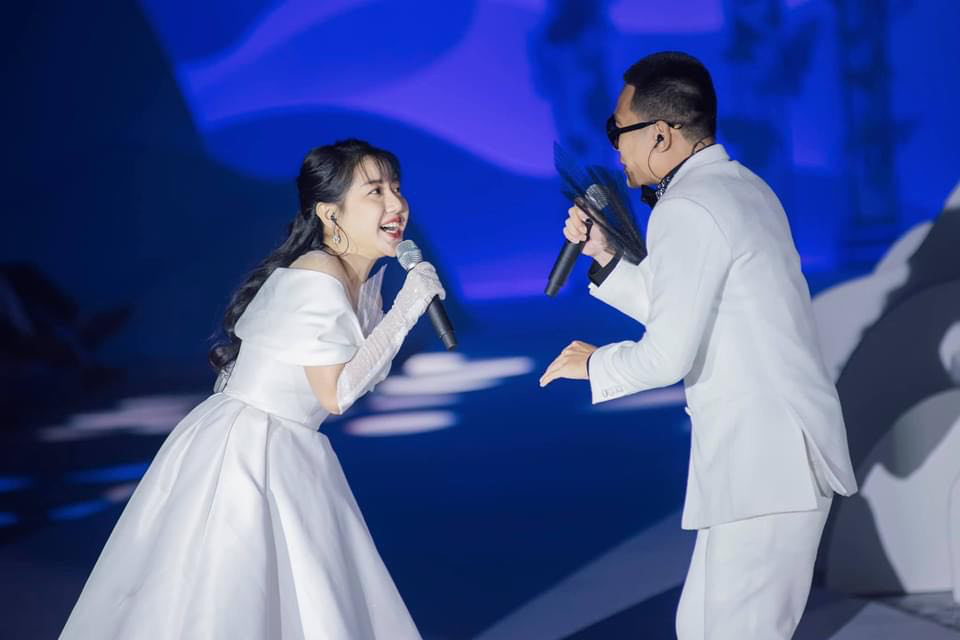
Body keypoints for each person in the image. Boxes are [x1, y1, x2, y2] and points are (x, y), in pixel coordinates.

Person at [60, 139, 440, 639]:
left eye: (396, 188)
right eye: (375, 191)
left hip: (280, 444)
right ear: (331, 213)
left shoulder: (351, 278)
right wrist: (409, 307)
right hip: (252, 451)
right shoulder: (319, 274)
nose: (396, 204)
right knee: (230, 596)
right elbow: (336, 395)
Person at [539, 52, 858, 639]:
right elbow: (689, 311)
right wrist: (605, 256)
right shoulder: (739, 187)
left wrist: (596, 363)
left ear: (660, 134)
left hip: (766, 467)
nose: (615, 147)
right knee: (701, 628)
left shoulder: (687, 207)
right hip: (758, 467)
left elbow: (667, 355)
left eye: (617, 130)